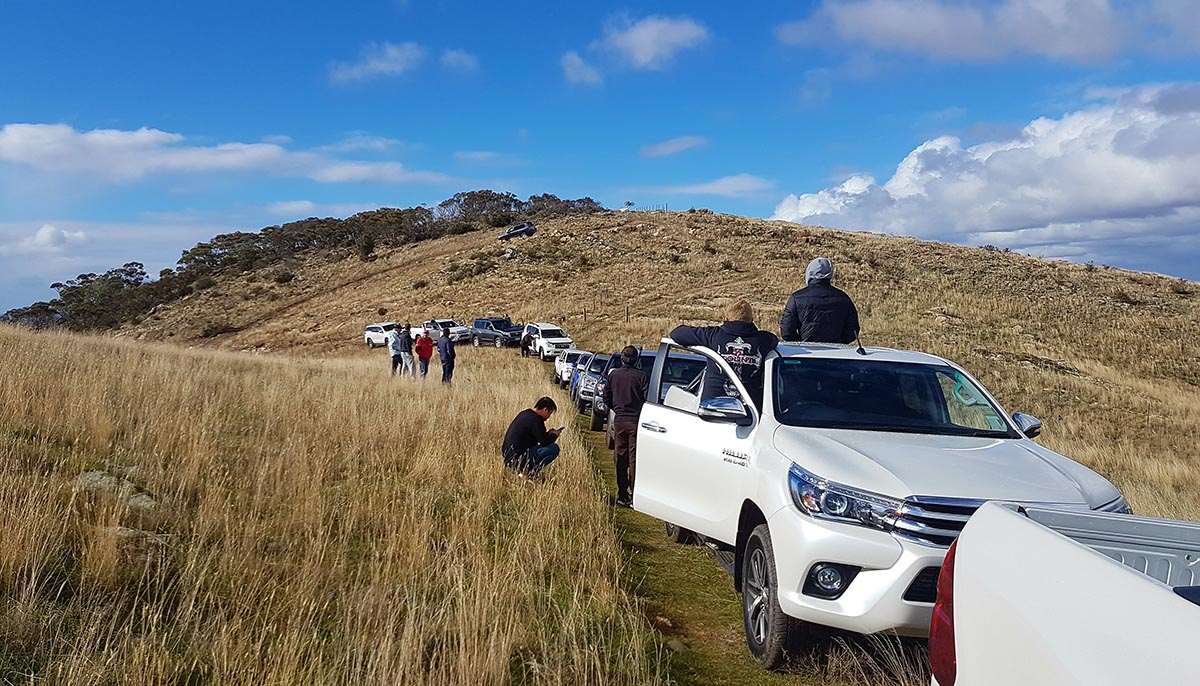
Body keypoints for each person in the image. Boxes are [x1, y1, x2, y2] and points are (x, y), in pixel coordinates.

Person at [670, 299, 779, 409]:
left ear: (726, 318)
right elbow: (775, 340)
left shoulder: (713, 335)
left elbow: (676, 334)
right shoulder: (764, 340)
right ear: (752, 320)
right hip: (751, 411)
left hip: (714, 408)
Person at [603, 346, 648, 507]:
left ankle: (622, 494)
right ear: (636, 359)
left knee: (620, 458)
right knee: (634, 459)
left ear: (622, 359)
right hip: (636, 421)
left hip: (620, 420)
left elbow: (605, 396)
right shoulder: (642, 376)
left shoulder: (613, 375)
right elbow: (646, 399)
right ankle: (634, 494)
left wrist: (616, 408)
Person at [780, 257, 860, 344]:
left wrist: (801, 344)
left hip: (805, 354)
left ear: (808, 273)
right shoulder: (843, 298)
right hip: (836, 353)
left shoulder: (796, 298)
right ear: (830, 274)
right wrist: (839, 343)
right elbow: (853, 330)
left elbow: (786, 331)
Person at [501, 396, 562, 475]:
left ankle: (524, 470)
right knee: (554, 448)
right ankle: (530, 472)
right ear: (545, 409)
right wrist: (554, 435)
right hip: (517, 459)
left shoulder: (526, 414)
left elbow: (539, 437)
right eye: (549, 413)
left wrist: (549, 434)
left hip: (508, 457)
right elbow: (544, 442)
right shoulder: (536, 420)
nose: (549, 417)